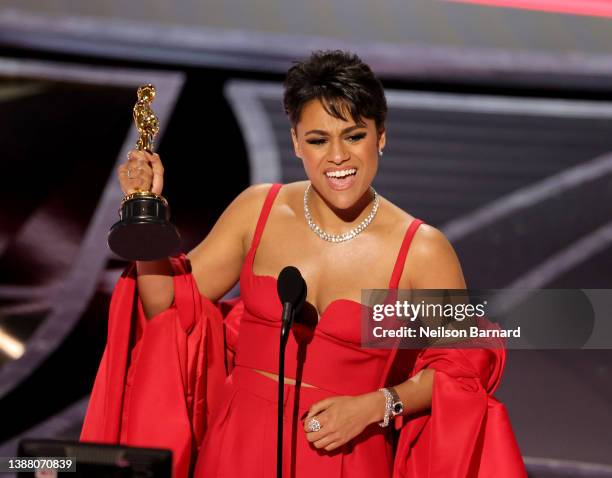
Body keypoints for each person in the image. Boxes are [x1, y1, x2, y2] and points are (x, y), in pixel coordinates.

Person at [80, 50, 527, 477]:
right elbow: (167, 310)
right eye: (318, 139)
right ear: (296, 141)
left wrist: (379, 403)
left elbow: (464, 364)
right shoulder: (259, 210)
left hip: (347, 454)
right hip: (237, 448)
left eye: (354, 135)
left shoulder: (421, 249)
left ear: (381, 135)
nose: (338, 157)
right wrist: (146, 211)